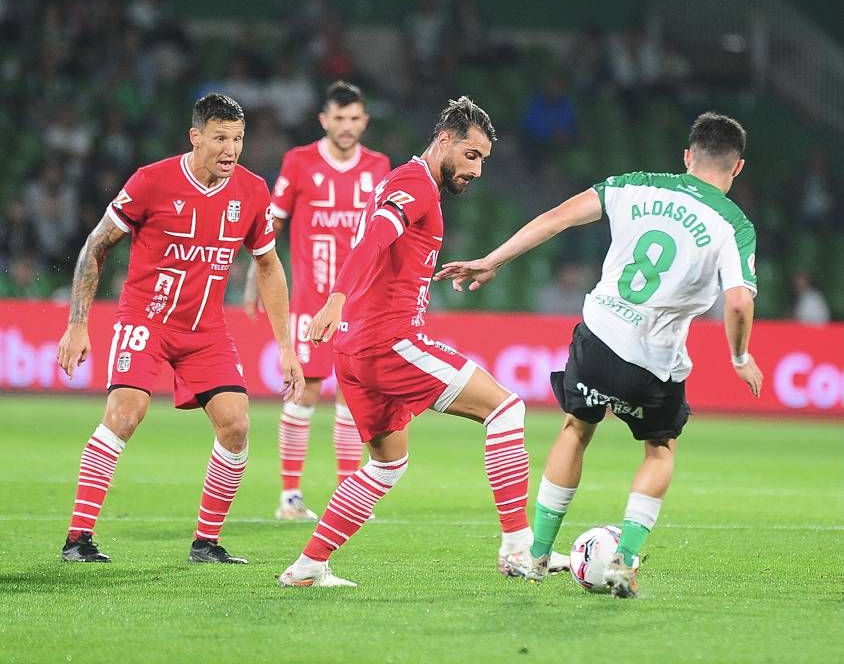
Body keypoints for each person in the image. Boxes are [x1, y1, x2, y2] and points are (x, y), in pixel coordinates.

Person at [436, 112, 763, 598]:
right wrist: (740, 357)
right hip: (654, 360)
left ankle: (538, 554)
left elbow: (555, 219)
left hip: (599, 334)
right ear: (737, 169)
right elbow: (738, 300)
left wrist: (492, 260)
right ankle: (625, 563)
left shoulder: (633, 185)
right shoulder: (733, 223)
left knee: (576, 428)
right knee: (660, 449)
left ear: (687, 156)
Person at [277, 96, 567, 588]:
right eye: (472, 155)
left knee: (387, 465)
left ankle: (308, 566)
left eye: (484, 161)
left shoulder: (405, 181)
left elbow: (392, 253)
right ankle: (519, 549)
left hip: (355, 349)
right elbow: (374, 236)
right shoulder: (415, 185)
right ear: (445, 140)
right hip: (387, 342)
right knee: (507, 410)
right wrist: (336, 298)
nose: (476, 170)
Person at [57, 94, 305, 564]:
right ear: (195, 137)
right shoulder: (152, 181)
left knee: (236, 425)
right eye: (220, 138)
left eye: (238, 139)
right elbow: (95, 246)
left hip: (205, 329)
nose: (230, 149)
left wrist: (286, 347)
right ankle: (78, 539)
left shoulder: (252, 191)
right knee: (126, 414)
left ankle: (205, 543)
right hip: (146, 319)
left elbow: (269, 267)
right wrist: (77, 324)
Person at [243, 81, 391, 521]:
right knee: (304, 391)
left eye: (354, 118)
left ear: (364, 121)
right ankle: (290, 497)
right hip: (310, 300)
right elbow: (270, 226)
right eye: (338, 118)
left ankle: (348, 498)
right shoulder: (300, 161)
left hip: (361, 303)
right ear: (324, 120)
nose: (346, 126)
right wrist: (256, 275)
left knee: (352, 394)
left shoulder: (380, 167)